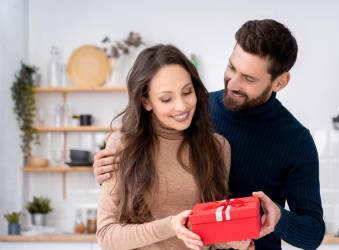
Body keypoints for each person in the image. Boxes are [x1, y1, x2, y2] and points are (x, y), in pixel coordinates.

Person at [94, 19, 325, 250]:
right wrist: (113, 170)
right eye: (232, 67)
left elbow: (313, 234)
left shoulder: (295, 141)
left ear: (280, 82)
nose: (233, 83)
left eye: (248, 78)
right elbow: (149, 178)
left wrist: (279, 218)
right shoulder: (193, 110)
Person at [96, 44, 251, 250]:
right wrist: (171, 225)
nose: (182, 106)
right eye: (166, 99)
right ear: (146, 102)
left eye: (187, 92)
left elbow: (210, 231)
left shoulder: (217, 146)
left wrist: (236, 241)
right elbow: (107, 236)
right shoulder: (122, 145)